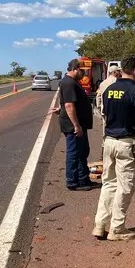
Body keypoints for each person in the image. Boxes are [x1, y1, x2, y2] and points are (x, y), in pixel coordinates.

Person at [93, 55, 135, 241]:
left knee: (109, 183)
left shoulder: (109, 88)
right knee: (125, 186)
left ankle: (100, 225)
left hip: (109, 141)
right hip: (126, 143)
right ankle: (117, 229)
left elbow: (103, 113)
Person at [56, 59, 97, 191]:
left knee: (82, 151)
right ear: (75, 69)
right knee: (74, 153)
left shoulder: (72, 82)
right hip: (73, 125)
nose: (84, 74)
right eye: (82, 71)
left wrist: (60, 108)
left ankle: (83, 179)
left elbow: (66, 103)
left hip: (79, 124)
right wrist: (76, 125)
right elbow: (69, 105)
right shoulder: (69, 83)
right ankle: (73, 181)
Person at [96, 64, 122, 137]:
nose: (120, 72)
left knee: (106, 126)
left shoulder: (103, 83)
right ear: (114, 72)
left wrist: (100, 107)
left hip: (105, 109)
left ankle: (105, 143)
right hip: (117, 109)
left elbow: (98, 96)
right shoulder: (119, 82)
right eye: (118, 71)